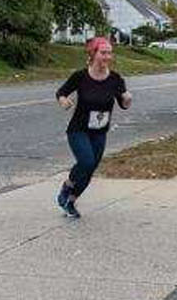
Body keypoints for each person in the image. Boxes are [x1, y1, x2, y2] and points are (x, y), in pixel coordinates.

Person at [55, 36, 131, 219]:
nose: (107, 57)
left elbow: (123, 103)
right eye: (103, 53)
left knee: (90, 168)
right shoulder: (81, 76)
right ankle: (67, 186)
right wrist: (64, 101)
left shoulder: (115, 79)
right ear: (93, 54)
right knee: (86, 161)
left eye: (109, 53)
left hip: (99, 132)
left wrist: (127, 99)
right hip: (79, 129)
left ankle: (71, 201)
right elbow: (61, 92)